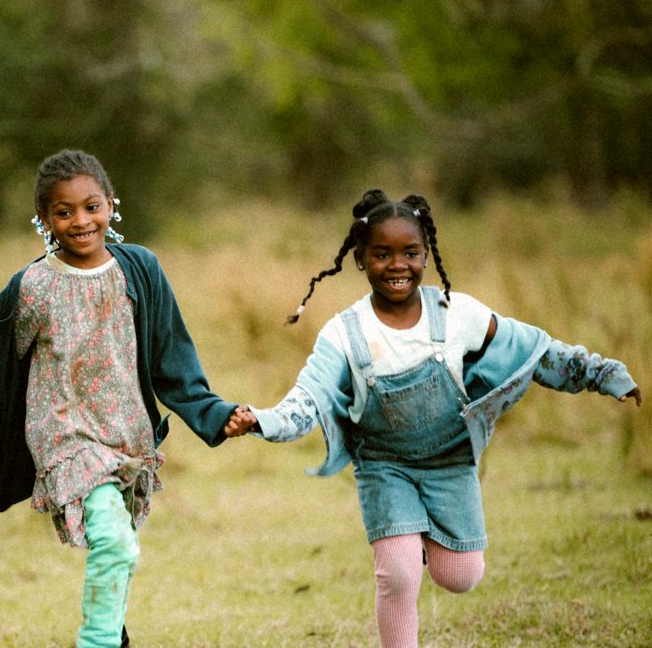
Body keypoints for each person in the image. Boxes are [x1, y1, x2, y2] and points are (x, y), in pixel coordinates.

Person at [229, 190, 641, 648]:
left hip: (450, 461)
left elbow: (535, 350)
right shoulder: (345, 332)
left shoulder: (456, 312)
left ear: (426, 255)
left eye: (410, 253)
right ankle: (402, 542)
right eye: (382, 254)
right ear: (362, 260)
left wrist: (602, 374)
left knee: (461, 575)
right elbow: (308, 397)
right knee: (399, 575)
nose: (398, 265)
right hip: (385, 466)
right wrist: (262, 420)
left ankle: (419, 536)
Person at [0, 149, 254, 647]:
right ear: (44, 220)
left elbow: (172, 357)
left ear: (111, 205)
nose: (81, 221)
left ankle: (115, 633)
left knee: (117, 545)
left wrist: (216, 414)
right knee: (115, 542)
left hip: (127, 435)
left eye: (91, 207)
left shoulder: (140, 269)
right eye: (64, 213)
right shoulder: (34, 287)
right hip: (64, 437)